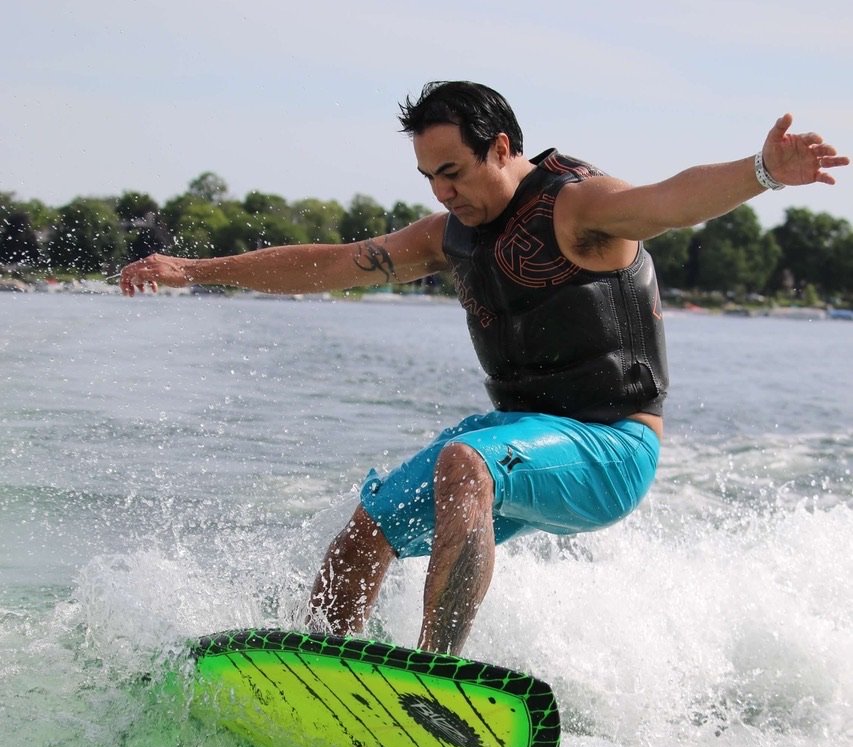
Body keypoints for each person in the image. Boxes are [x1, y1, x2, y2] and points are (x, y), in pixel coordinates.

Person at [120, 81, 848, 655]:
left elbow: (668, 200)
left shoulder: (576, 207)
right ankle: (319, 670)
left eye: (452, 171)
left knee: (463, 463)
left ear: (499, 147)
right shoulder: (449, 235)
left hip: (610, 448)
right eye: (428, 176)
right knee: (362, 535)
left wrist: (761, 172)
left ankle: (435, 678)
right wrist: (193, 268)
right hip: (518, 436)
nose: (441, 191)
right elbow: (336, 263)